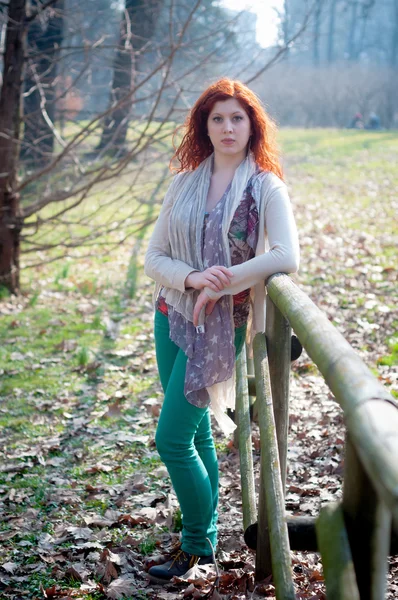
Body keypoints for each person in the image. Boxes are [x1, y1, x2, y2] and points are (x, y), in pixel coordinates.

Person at [144, 78, 299, 584]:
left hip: (221, 326)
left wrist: (223, 281)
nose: (228, 127)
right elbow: (155, 257)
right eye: (218, 118)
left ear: (252, 124)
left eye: (237, 117)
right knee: (196, 437)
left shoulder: (265, 185)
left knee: (171, 440)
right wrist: (191, 278)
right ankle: (205, 540)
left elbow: (285, 256)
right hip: (171, 316)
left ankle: (195, 549)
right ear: (203, 126)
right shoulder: (184, 182)